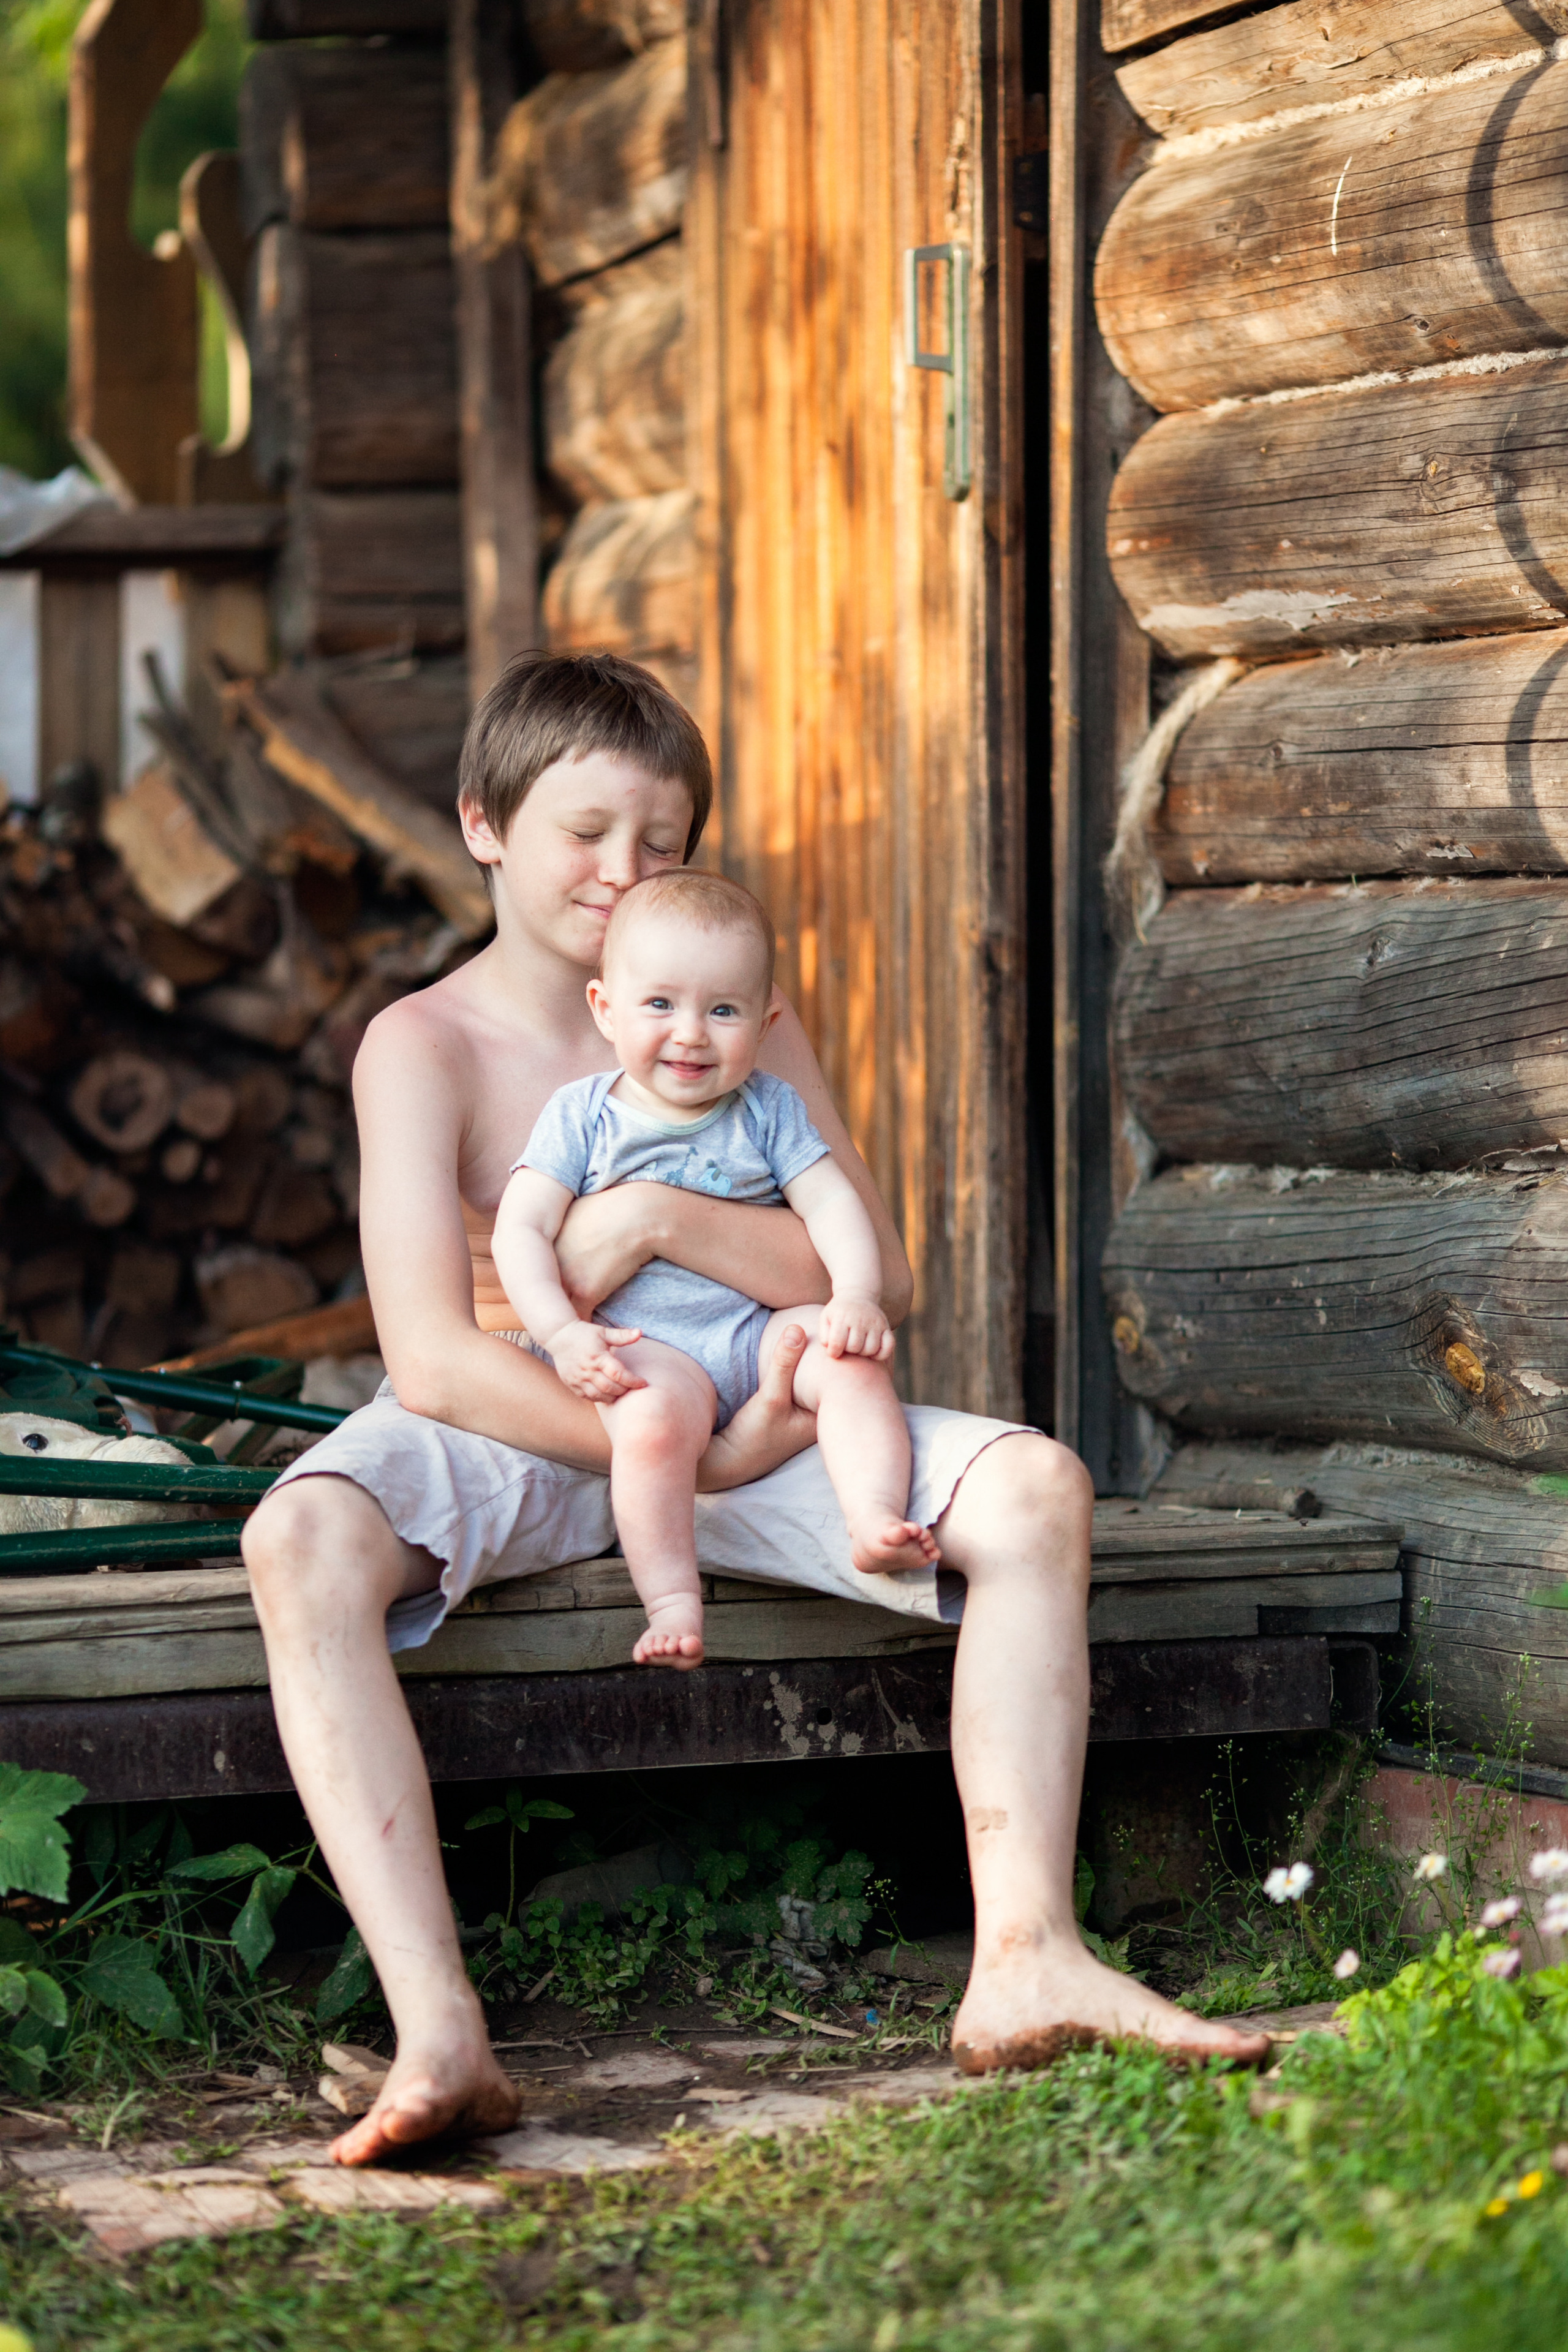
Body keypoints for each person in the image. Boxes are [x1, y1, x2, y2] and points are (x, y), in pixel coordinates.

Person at [241, 650, 1269, 2169]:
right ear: (482, 825)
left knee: (1036, 1489)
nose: (622, 868)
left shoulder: (726, 1016)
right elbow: (437, 1356)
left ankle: (1024, 1957)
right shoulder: (426, 1044)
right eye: (583, 832)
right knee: (299, 1540)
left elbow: (873, 1272)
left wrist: (657, 1221)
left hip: (743, 1407)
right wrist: (658, 1452)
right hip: (525, 1417)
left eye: (658, 840)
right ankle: (440, 2029)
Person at [492, 866, 937, 1669]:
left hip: (760, 1332)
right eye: (660, 1004)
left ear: (766, 1024)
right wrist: (560, 1333)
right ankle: (671, 1598)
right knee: (651, 1423)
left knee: (850, 1362)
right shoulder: (582, 1116)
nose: (692, 1033)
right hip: (651, 1344)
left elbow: (834, 1205)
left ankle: (874, 1517)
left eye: (723, 1010)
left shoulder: (769, 1107)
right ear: (606, 1008)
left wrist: (856, 1296)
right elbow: (520, 1231)